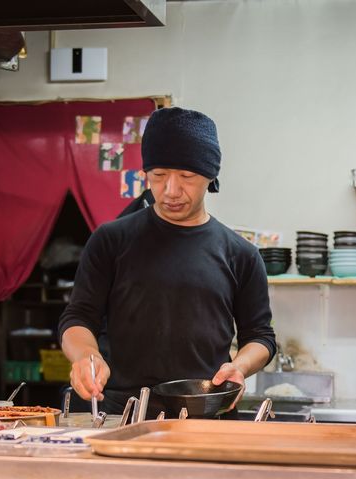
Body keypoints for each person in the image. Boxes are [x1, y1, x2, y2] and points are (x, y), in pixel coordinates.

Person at [59, 107, 276, 416]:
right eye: (158, 176)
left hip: (207, 412)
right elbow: (78, 318)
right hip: (124, 414)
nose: (171, 191)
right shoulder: (111, 240)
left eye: (187, 176)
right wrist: (86, 356)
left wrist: (239, 366)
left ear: (210, 175)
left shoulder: (241, 254)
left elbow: (260, 337)